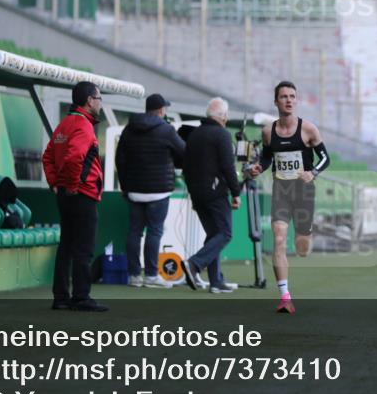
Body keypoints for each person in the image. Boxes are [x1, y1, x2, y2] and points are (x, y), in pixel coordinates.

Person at [248, 81, 331, 314]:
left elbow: (326, 159)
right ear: (276, 101)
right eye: (284, 96)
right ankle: (285, 297)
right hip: (281, 191)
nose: (288, 100)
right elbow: (267, 158)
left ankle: (307, 233)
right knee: (279, 239)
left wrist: (313, 172)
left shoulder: (308, 129)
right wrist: (259, 167)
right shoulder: (268, 132)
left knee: (302, 248)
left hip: (304, 192)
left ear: (296, 100)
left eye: (292, 96)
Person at [42, 81, 108, 312]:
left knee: (66, 246)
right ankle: (81, 297)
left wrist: (55, 184)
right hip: (82, 193)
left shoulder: (65, 124)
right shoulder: (83, 125)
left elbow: (48, 156)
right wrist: (71, 185)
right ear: (89, 100)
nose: (100, 104)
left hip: (65, 194)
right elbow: (74, 157)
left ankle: (61, 298)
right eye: (99, 99)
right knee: (83, 248)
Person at [116, 93, 185, 289]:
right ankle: (151, 276)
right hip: (159, 191)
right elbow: (184, 152)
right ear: (161, 110)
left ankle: (134, 276)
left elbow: (120, 159)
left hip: (134, 190)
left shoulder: (129, 128)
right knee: (154, 232)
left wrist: (125, 187)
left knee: (134, 232)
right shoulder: (167, 130)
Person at [180, 98, 242, 294]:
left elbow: (186, 167)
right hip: (215, 193)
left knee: (214, 234)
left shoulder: (194, 135)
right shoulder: (222, 134)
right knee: (225, 233)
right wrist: (236, 192)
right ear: (223, 116)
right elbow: (228, 167)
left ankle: (216, 281)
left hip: (197, 194)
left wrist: (193, 193)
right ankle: (194, 264)